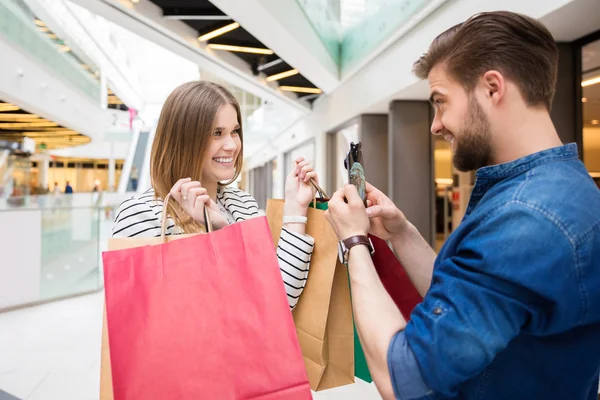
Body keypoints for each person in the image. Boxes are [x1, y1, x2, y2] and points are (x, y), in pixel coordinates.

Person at [325, 11, 600, 400]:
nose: (436, 125)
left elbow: (401, 376)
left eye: (441, 102)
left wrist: (353, 242)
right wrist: (402, 234)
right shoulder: (561, 188)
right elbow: (473, 305)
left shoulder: (525, 219)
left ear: (492, 88)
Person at [112, 81, 319, 309]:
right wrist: (217, 237)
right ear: (183, 141)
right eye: (217, 133)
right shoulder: (141, 215)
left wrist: (295, 209)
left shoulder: (243, 204)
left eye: (235, 131)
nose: (231, 145)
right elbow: (138, 317)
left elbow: (278, 302)